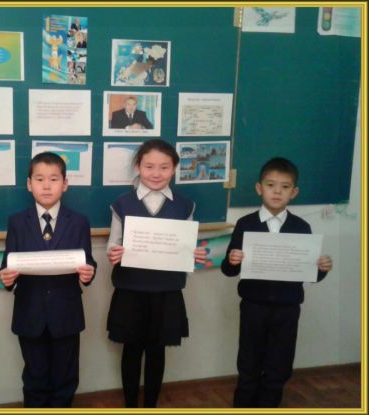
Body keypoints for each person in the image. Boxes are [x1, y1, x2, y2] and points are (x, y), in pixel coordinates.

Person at [220, 157, 333, 408]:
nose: (277, 192)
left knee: (278, 368)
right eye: (271, 185)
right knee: (248, 365)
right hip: (253, 307)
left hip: (287, 309)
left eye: (285, 187)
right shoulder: (245, 224)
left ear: (294, 192)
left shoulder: (301, 227)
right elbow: (228, 270)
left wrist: (321, 269)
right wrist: (233, 260)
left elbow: (309, 274)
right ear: (259, 188)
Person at [106, 139, 208, 407]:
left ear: (174, 169)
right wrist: (114, 253)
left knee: (157, 351)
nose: (156, 173)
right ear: (138, 167)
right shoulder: (122, 203)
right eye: (149, 166)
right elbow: (113, 244)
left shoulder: (185, 205)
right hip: (131, 290)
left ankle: (150, 405)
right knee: (131, 350)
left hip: (166, 291)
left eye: (164, 167)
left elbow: (187, 247)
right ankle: (131, 405)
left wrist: (194, 255)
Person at [0, 152, 97, 408]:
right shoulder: (17, 222)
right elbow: (7, 266)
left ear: (65, 184)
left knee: (65, 377)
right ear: (29, 184)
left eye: (54, 179)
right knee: (35, 377)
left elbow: (88, 261)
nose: (46, 186)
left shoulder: (79, 222)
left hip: (66, 313)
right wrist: (6, 278)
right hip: (29, 312)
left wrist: (89, 273)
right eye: (39, 179)